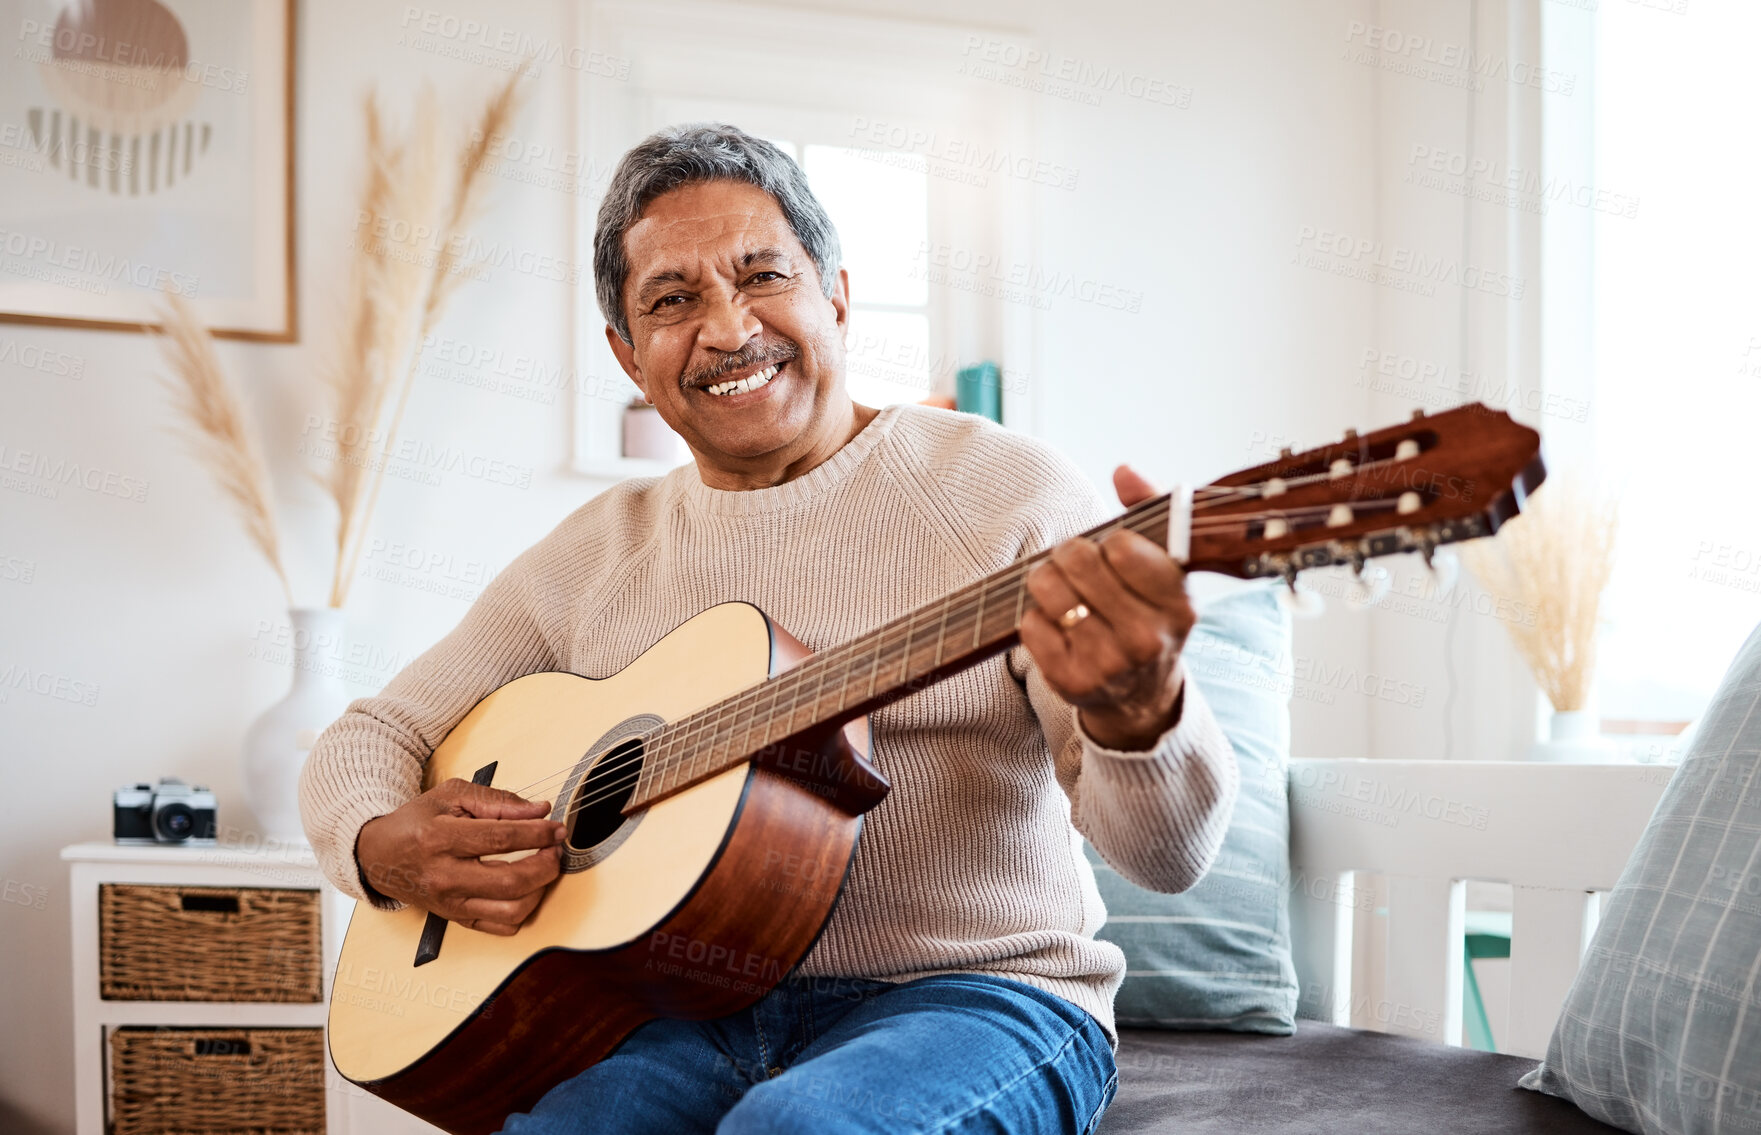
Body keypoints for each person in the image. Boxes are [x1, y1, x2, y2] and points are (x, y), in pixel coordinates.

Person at [300, 122, 1237, 1135]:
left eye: (763, 275)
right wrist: (378, 845)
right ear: (627, 353)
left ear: (836, 295)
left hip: (986, 996)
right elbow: (368, 736)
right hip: (682, 1012)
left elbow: (1170, 857)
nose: (729, 327)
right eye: (672, 299)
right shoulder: (594, 555)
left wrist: (1140, 713)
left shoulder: (1006, 493)